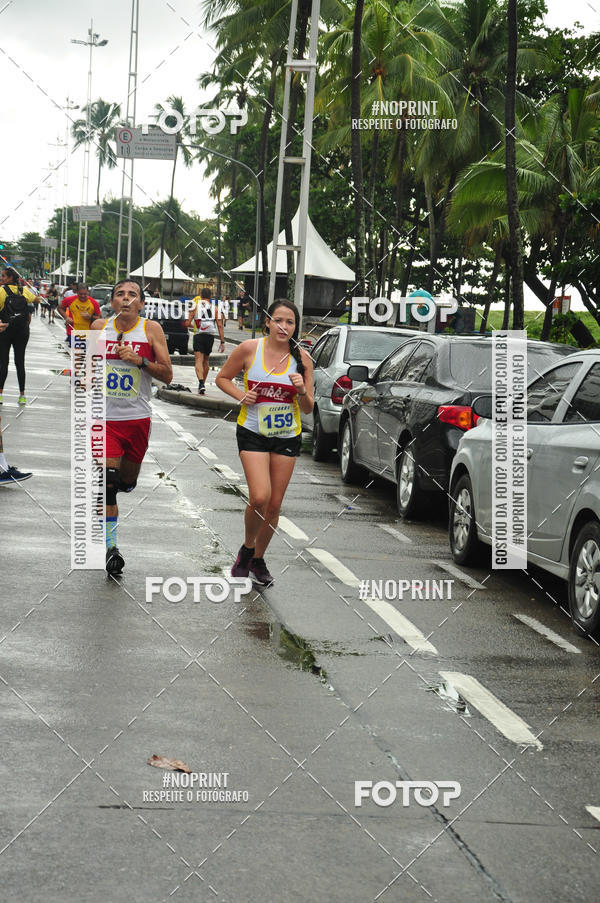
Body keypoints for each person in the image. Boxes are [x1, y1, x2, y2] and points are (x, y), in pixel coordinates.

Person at [215, 299, 314, 586]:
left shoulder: (302, 359)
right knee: (259, 497)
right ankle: (247, 549)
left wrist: (300, 391)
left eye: (290, 322)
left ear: (296, 327)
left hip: (286, 436)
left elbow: (308, 408)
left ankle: (258, 560)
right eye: (278, 320)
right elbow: (223, 378)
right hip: (253, 432)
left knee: (274, 504)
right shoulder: (250, 349)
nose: (283, 326)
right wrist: (240, 395)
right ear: (268, 321)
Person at [91, 279, 173, 576]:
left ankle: (126, 482)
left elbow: (167, 374)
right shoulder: (100, 327)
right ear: (112, 301)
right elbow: (85, 366)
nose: (125, 299)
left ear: (141, 303)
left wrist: (139, 361)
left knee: (125, 480)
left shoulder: (151, 330)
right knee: (108, 482)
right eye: (120, 294)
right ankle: (112, 549)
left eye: (132, 295)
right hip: (104, 420)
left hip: (137, 419)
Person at [0, 267, 36, 405]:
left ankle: (0, 394)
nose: (1, 278)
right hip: (22, 331)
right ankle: (22, 395)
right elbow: (36, 299)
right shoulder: (23, 291)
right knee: (20, 362)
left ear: (10, 278)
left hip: (5, 330)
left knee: (3, 362)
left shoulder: (2, 291)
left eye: (3, 276)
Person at [184, 287, 225, 395]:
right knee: (206, 361)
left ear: (201, 296)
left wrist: (195, 326)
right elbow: (220, 325)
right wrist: (222, 341)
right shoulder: (215, 309)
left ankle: (201, 383)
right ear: (211, 297)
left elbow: (187, 323)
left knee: (198, 360)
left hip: (199, 336)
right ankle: (202, 384)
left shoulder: (195, 307)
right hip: (210, 337)